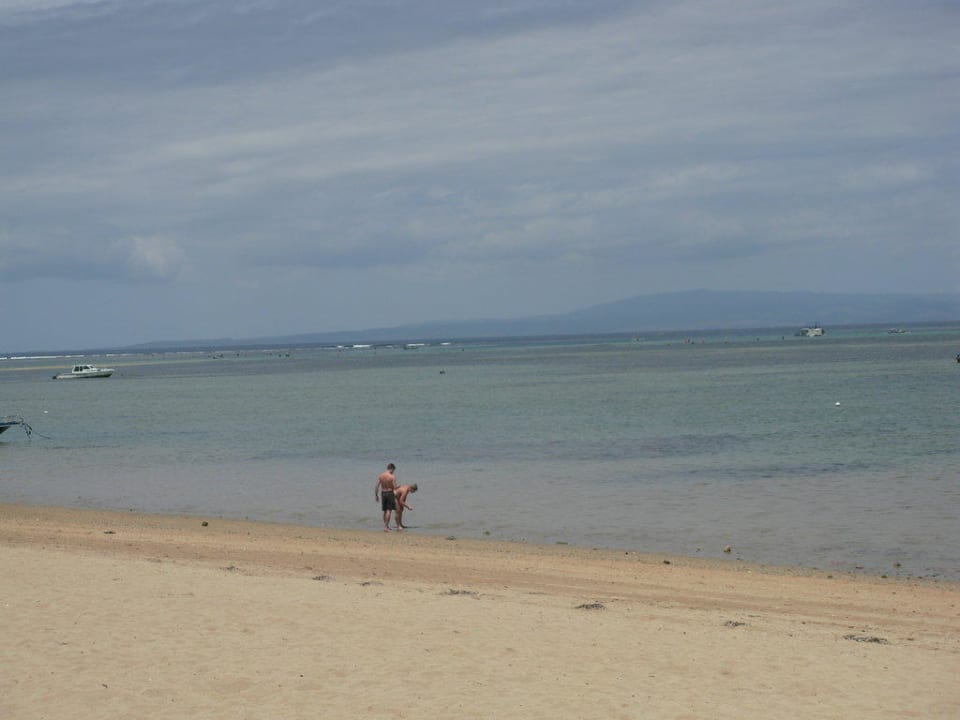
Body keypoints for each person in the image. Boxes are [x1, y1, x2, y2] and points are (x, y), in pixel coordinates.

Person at [374, 463, 398, 532]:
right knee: (389, 510)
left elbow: (376, 486)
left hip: (383, 493)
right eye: (393, 470)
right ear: (392, 469)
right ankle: (386, 527)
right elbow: (394, 487)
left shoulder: (381, 475)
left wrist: (376, 495)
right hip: (389, 493)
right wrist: (397, 490)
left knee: (385, 511)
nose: (393, 472)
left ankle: (386, 526)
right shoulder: (392, 477)